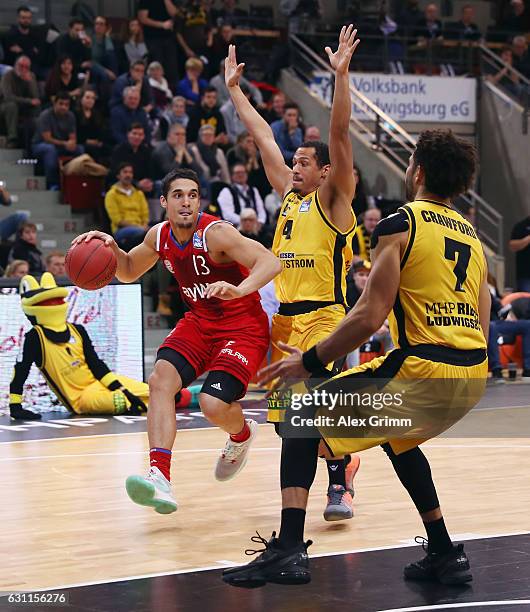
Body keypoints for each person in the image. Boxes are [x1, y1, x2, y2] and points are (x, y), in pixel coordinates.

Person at [224, 128, 490, 588]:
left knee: (301, 415)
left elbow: (369, 313)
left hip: (424, 368)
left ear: (418, 172)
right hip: (473, 375)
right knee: (398, 438)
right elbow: (482, 315)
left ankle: (288, 549)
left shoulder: (401, 223)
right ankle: (444, 550)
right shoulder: (472, 236)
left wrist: (308, 360)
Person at [72, 167, 281, 514]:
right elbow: (126, 271)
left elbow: (270, 262)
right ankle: (160, 478)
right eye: (178, 195)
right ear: (164, 202)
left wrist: (239, 289)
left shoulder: (216, 234)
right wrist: (108, 246)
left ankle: (242, 435)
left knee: (212, 405)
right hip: (200, 322)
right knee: (160, 380)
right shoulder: (159, 236)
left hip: (242, 325)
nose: (186, 202)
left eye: (193, 195)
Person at [225, 28, 360, 521]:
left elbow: (340, 135)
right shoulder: (288, 196)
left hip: (326, 319)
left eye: (305, 161)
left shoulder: (334, 198)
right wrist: (236, 91)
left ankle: (337, 483)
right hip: (284, 322)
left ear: (326, 172)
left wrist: (340, 77)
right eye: (295, 161)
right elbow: (263, 136)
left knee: (313, 414)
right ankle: (343, 464)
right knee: (289, 427)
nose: (295, 166)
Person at [10, 272, 150, 421]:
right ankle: (147, 404)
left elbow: (96, 364)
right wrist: (15, 406)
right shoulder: (35, 337)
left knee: (151, 390)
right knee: (120, 401)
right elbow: (21, 370)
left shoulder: (77, 330)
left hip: (97, 383)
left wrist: (120, 388)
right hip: (81, 398)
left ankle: (175, 398)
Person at [31, 92, 83, 189]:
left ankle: (76, 182)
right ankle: (52, 184)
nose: (63, 107)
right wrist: (65, 143)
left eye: (66, 105)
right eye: (61, 104)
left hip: (61, 145)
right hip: (41, 145)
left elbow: (72, 137)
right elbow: (47, 138)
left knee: (80, 149)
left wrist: (72, 143)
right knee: (50, 149)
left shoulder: (71, 116)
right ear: (55, 104)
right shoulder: (45, 115)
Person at [105, 162, 149, 250]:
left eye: (130, 172)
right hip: (121, 230)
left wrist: (144, 225)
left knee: (160, 230)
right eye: (125, 172)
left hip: (141, 228)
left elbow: (145, 214)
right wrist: (140, 228)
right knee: (144, 235)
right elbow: (118, 220)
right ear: (118, 176)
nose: (128, 175)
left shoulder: (139, 194)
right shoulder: (111, 194)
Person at [0, 55, 40, 148]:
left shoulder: (31, 76)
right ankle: (12, 138)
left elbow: (36, 98)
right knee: (11, 106)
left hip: (22, 106)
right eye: (21, 66)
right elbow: (8, 97)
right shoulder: (8, 76)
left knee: (37, 107)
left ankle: (34, 140)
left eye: (26, 67)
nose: (23, 69)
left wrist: (30, 83)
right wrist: (29, 101)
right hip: (4, 106)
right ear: (15, 65)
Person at [137, 0, 179, 88]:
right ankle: (155, 92)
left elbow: (175, 14)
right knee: (156, 66)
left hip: (169, 37)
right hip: (153, 38)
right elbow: (142, 18)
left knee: (171, 69)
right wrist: (161, 25)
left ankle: (171, 93)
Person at [110, 123, 153, 196]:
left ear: (143, 137)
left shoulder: (146, 151)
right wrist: (137, 184)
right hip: (125, 183)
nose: (137, 137)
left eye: (140, 134)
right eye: (134, 133)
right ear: (128, 134)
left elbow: (150, 171)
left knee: (159, 185)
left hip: (143, 184)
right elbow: (115, 173)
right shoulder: (119, 151)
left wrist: (148, 182)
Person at [75, 88, 109, 163]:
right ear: (81, 99)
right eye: (87, 97)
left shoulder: (97, 114)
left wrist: (100, 141)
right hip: (81, 143)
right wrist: (87, 141)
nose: (90, 100)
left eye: (93, 98)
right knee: (92, 150)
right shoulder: (75, 114)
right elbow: (75, 132)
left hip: (96, 142)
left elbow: (102, 130)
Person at [509, 215, 530, 292]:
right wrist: (528, 239)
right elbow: (512, 245)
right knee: (526, 300)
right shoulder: (522, 226)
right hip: (526, 275)